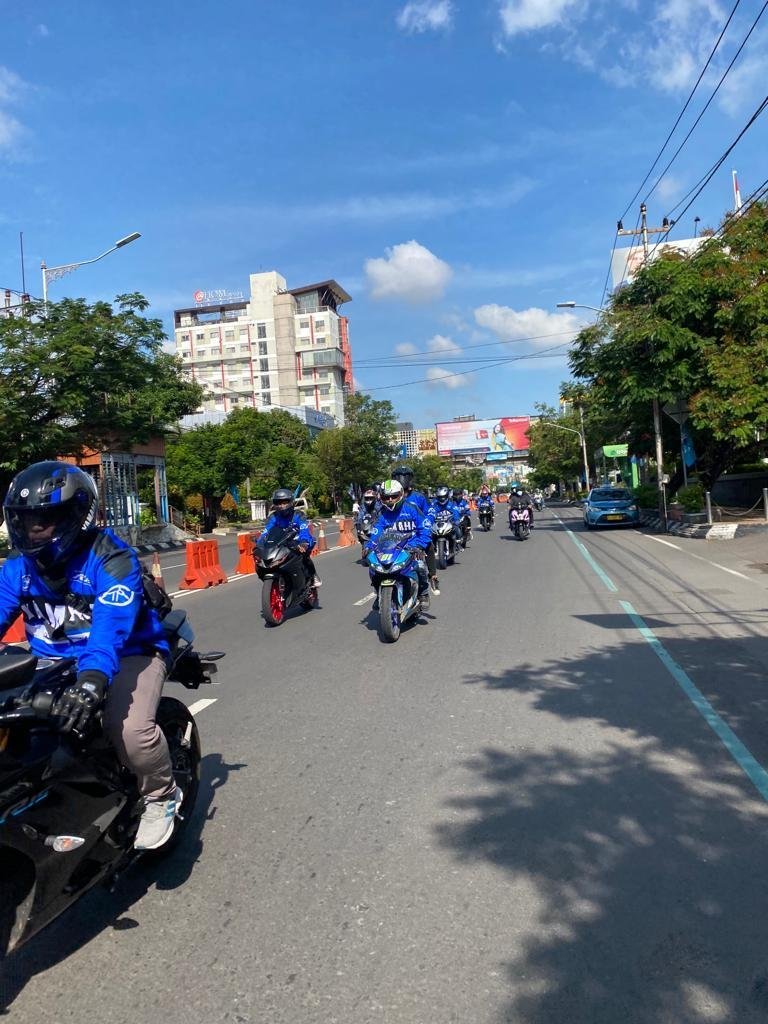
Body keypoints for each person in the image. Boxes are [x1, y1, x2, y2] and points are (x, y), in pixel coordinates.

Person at [0, 461, 179, 851]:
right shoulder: (17, 568)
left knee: (129, 729)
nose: (33, 530)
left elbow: (109, 631)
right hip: (52, 663)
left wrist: (92, 681)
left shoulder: (112, 559)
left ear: (74, 517)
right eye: (25, 520)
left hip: (130, 653)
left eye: (44, 520)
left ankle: (161, 795)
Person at [366, 479, 431, 611]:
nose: (390, 500)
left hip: (411, 547)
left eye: (394, 496)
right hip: (389, 548)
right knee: (374, 569)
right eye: (386, 497)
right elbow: (377, 531)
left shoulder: (412, 508)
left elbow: (425, 528)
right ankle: (379, 594)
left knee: (420, 566)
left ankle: (423, 593)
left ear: (401, 494)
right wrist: (369, 546)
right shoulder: (382, 513)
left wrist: (420, 546)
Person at [392, 465, 440, 594]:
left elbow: (430, 511)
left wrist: (427, 523)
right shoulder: (390, 496)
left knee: (428, 545)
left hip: (416, 533)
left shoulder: (419, 497)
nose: (402, 480)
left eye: (405, 477)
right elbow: (381, 515)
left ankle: (432, 576)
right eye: (399, 477)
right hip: (395, 536)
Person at [262, 488, 321, 586]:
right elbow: (266, 532)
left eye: (284, 502)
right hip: (281, 542)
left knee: (304, 555)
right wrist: (259, 543)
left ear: (291, 502)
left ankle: (313, 574)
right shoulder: (273, 517)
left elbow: (304, 530)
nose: (281, 506)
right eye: (278, 503)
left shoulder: (298, 515)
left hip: (298, 541)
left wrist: (304, 542)